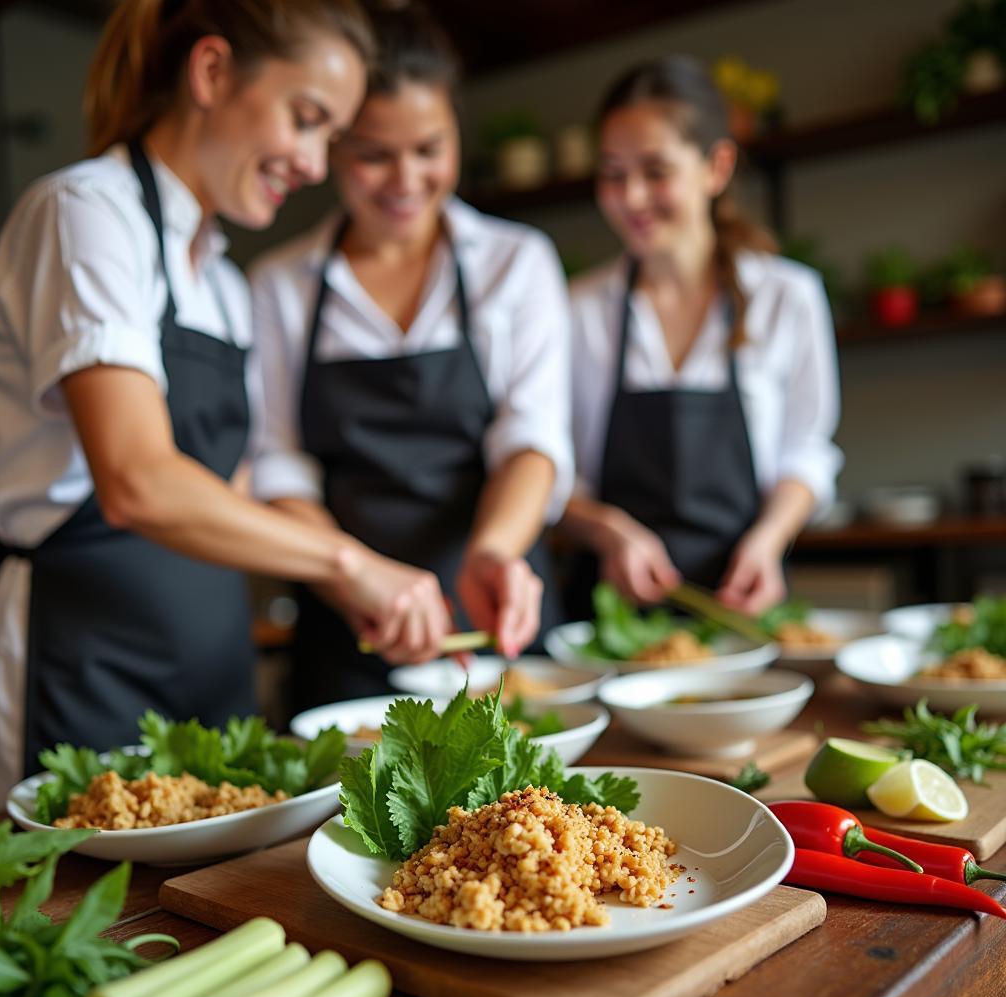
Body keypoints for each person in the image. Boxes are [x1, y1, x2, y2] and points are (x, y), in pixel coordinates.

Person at [0, 0, 454, 808]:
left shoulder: (226, 284)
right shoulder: (86, 216)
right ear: (211, 73)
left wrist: (364, 593)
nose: (313, 164)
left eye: (327, 137)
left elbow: (226, 487)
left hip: (208, 664)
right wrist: (352, 563)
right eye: (305, 120)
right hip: (83, 655)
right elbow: (138, 480)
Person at [250, 0, 573, 709]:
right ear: (332, 145)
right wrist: (353, 578)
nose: (405, 180)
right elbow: (278, 467)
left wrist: (495, 551)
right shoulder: (281, 285)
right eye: (373, 154)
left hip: (495, 629)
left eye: (429, 149)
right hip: (348, 634)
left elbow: (531, 438)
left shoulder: (514, 262)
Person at [561, 55, 842, 617]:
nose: (631, 197)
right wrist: (606, 529)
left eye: (655, 171)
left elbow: (806, 453)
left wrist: (768, 540)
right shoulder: (579, 309)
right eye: (613, 174)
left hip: (742, 609)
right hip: (606, 621)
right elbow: (548, 471)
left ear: (716, 167)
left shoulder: (787, 297)